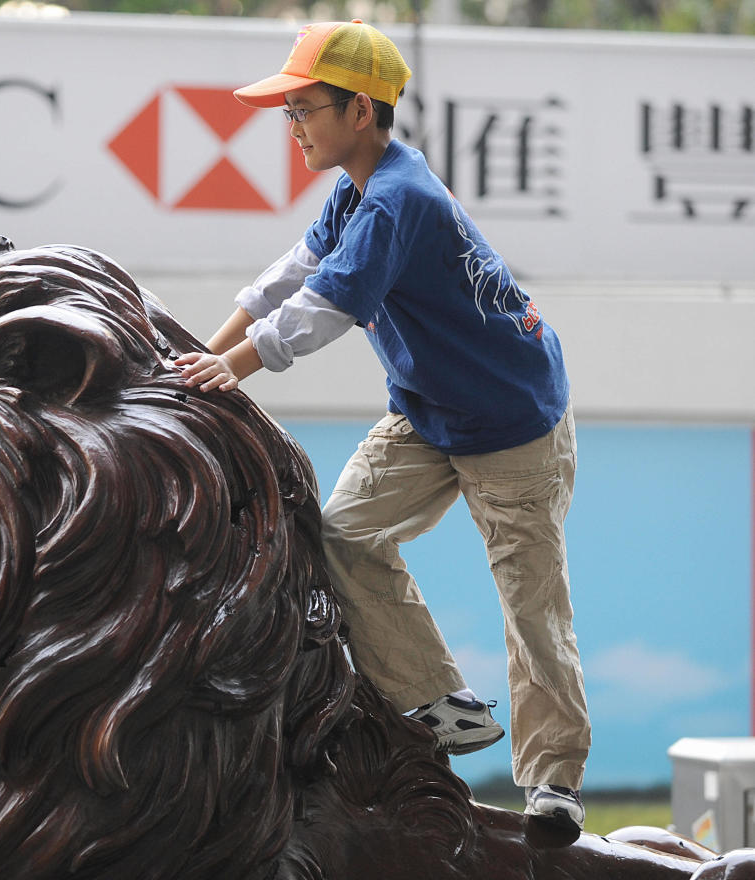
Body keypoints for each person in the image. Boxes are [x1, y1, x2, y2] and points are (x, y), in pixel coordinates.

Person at [175, 20, 591, 830]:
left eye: (303, 107)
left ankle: (555, 783)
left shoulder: (400, 199)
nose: (291, 125)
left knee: (531, 606)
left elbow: (324, 309)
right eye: (287, 110)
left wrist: (223, 374)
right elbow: (289, 277)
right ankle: (441, 702)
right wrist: (191, 360)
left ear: (360, 111)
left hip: (512, 424)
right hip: (429, 413)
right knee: (342, 536)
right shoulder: (359, 188)